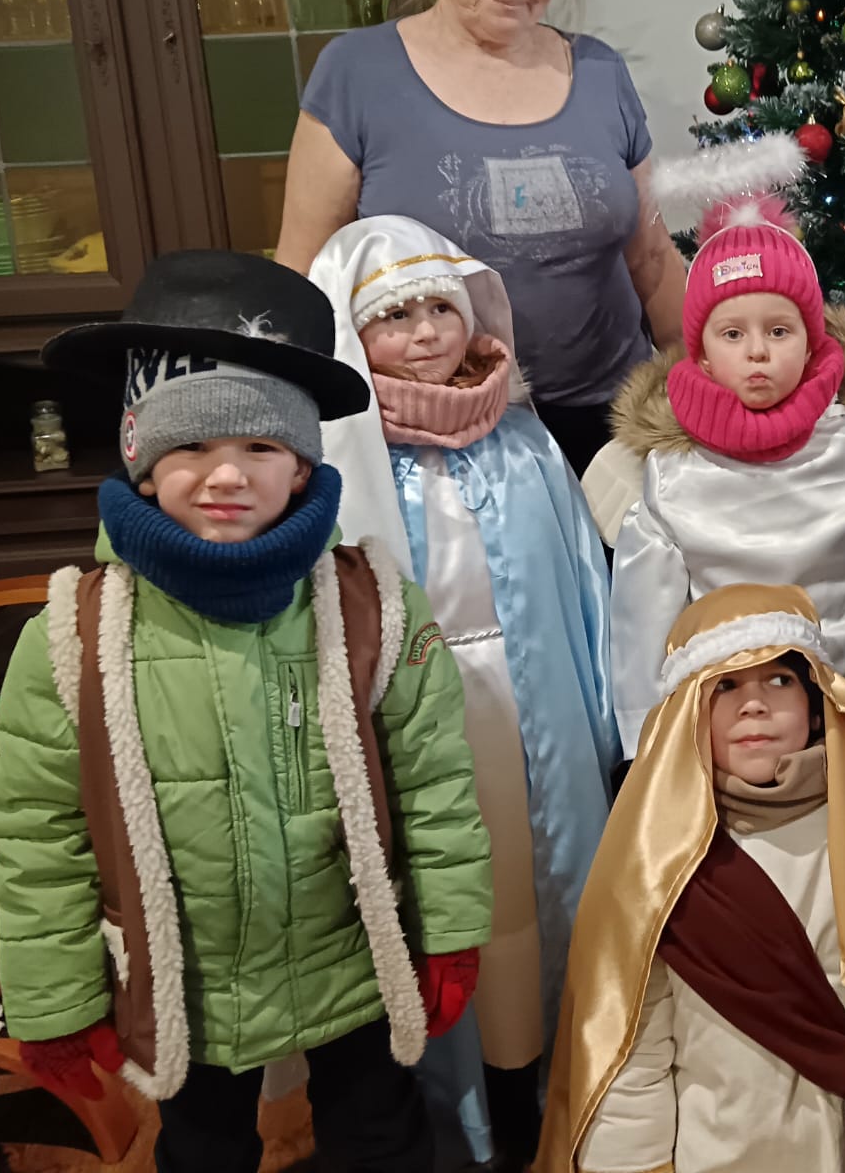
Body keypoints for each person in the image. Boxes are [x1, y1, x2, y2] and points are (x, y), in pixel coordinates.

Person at [0, 251, 493, 1173]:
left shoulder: (374, 608)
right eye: (191, 448)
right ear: (143, 463)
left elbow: (435, 784)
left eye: (260, 447)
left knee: (382, 1137)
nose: (226, 475)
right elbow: (38, 830)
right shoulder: (73, 634)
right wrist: (54, 1000)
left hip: (352, 962)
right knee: (202, 1150)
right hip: (183, 984)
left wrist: (451, 929)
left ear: (300, 468)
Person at [309, 215, 617, 1168]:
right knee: (446, 904)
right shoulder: (340, 461)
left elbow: (585, 582)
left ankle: (553, 1096)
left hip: (538, 710)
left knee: (541, 898)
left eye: (441, 308)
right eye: (395, 316)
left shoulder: (522, 442)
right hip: (424, 723)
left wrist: (609, 717)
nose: (426, 333)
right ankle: (457, 1116)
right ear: (352, 334)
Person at [536, 583, 845, 1173]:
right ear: (690, 715)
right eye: (725, 686)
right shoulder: (653, 863)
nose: (753, 704)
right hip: (710, 1154)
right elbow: (631, 1050)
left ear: (816, 703)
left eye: (779, 680)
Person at [274, 0, 685, 477]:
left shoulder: (600, 72)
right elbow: (305, 279)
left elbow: (653, 260)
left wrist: (702, 387)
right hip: (434, 441)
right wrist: (292, 437)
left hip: (617, 425)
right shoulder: (356, 75)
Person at [584, 211, 845, 757]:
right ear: (703, 355)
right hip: (733, 731)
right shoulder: (674, 474)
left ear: (811, 342)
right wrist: (647, 738)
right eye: (733, 334)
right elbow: (642, 625)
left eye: (779, 331)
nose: (758, 351)